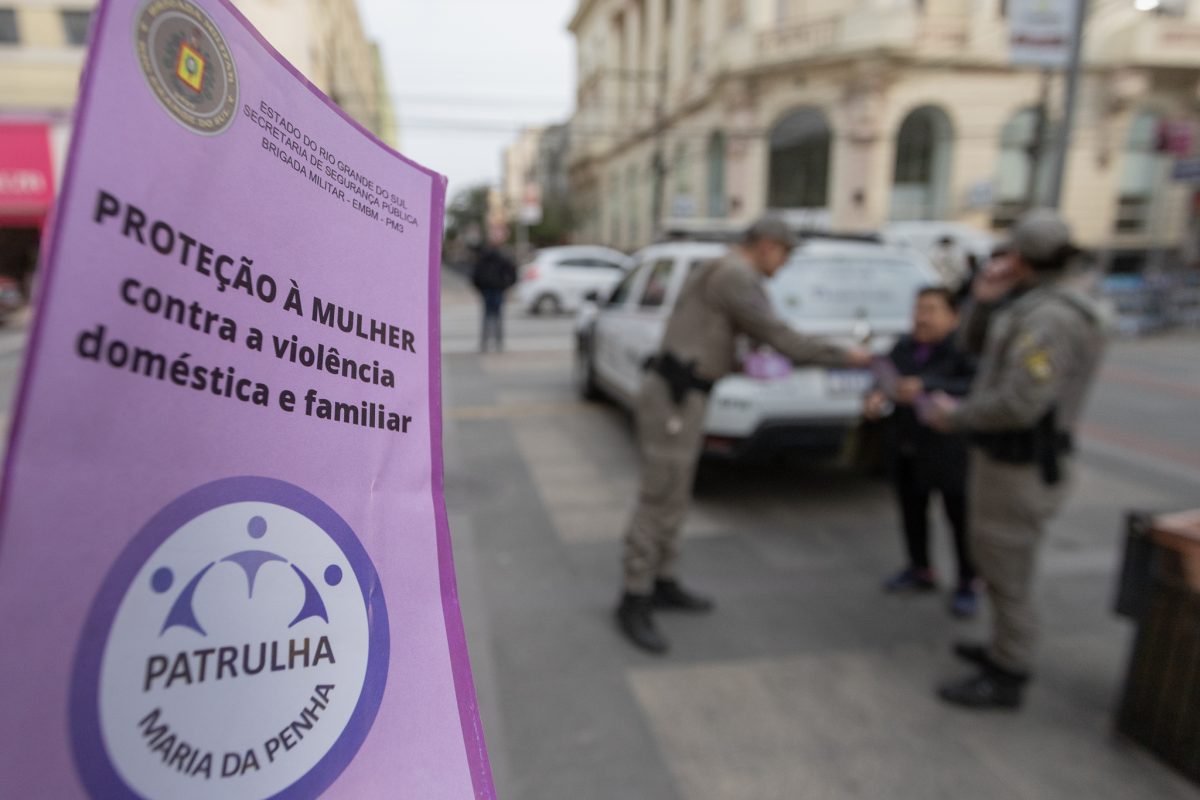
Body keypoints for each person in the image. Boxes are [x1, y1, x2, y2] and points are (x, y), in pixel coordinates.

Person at [616, 215, 872, 654]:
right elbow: (780, 335)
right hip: (675, 400)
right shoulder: (737, 275)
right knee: (660, 497)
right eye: (786, 254)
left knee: (675, 496)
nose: (785, 264)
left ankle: (663, 581)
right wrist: (845, 355)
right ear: (768, 245)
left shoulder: (724, 268)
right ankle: (634, 597)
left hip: (684, 397)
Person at [923, 209, 1106, 710]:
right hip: (1004, 462)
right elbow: (975, 345)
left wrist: (955, 416)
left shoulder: (1051, 317)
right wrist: (983, 300)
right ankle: (1004, 649)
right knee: (998, 564)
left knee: (1008, 573)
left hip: (1020, 467)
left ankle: (1009, 673)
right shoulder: (1033, 303)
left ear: (1021, 259)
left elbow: (1022, 403)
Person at [864, 287, 978, 616]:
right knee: (912, 512)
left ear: (953, 317)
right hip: (907, 446)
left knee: (960, 519)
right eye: (918, 309)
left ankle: (968, 581)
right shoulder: (904, 345)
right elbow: (883, 377)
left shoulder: (965, 350)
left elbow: (977, 386)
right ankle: (919, 568)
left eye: (930, 310)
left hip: (951, 451)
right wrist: (875, 397)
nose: (921, 317)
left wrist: (926, 385)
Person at [470, 242, 517, 352]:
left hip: (490, 291)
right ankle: (497, 343)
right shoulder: (500, 259)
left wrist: (481, 289)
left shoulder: (483, 260)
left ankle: (486, 343)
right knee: (497, 317)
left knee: (487, 317)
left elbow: (475, 277)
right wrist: (506, 285)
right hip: (496, 290)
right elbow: (512, 272)